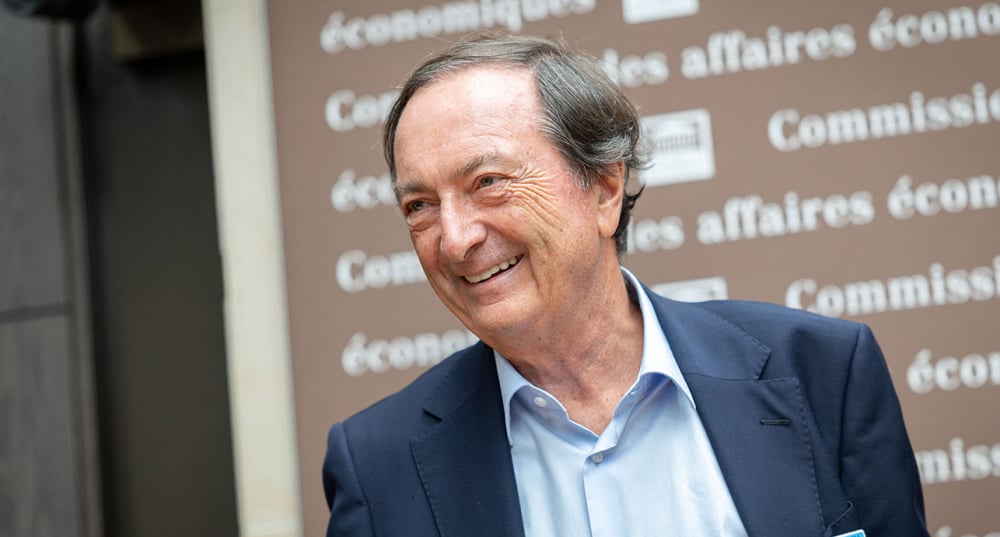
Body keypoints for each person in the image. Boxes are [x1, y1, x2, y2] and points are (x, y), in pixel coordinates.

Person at [323, 32, 929, 537]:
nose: (454, 240)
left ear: (605, 189)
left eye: (487, 182)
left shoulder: (823, 374)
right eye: (420, 205)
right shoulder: (378, 466)